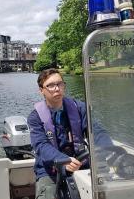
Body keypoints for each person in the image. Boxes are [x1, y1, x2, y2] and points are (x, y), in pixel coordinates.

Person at [28, 68, 113, 199]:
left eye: (60, 84)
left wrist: (108, 147)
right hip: (50, 169)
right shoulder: (35, 118)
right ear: (41, 90)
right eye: (50, 85)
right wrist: (63, 160)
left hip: (80, 163)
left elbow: (96, 131)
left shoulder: (80, 108)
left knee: (110, 189)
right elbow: (41, 146)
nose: (57, 89)